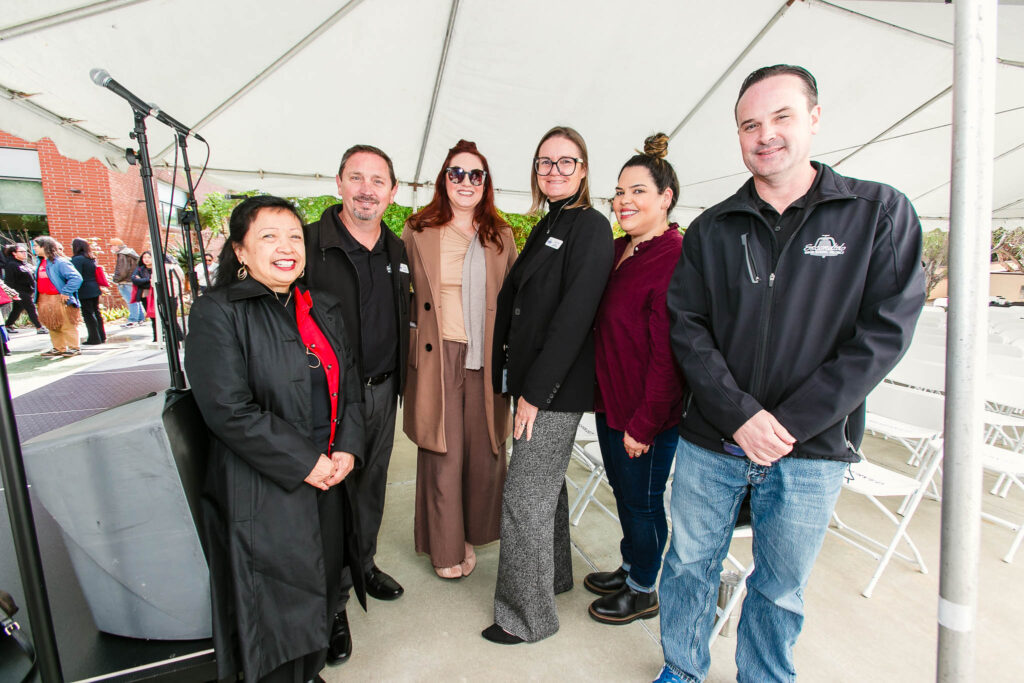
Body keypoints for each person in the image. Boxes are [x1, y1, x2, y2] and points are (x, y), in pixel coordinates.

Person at [656, 65, 926, 683]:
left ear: (814, 119)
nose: (765, 135)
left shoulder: (876, 213)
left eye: (781, 118)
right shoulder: (712, 227)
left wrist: (787, 424)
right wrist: (739, 415)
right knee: (689, 564)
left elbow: (884, 334)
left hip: (812, 449)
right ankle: (682, 668)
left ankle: (764, 677)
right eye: (750, 124)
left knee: (780, 587)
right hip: (711, 441)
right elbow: (687, 328)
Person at [185, 195, 366, 682]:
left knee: (324, 583)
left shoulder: (320, 306)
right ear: (240, 251)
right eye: (268, 236)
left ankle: (309, 673)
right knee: (277, 602)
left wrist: (347, 447)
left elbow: (348, 382)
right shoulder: (217, 313)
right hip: (263, 486)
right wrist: (307, 462)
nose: (286, 247)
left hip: (329, 477)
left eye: (293, 236)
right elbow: (228, 409)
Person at [484, 125, 614, 644]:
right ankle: (555, 578)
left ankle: (526, 616)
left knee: (524, 495)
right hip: (536, 384)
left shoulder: (591, 227)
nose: (554, 171)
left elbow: (573, 318)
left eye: (566, 162)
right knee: (546, 488)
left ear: (583, 170)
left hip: (554, 389)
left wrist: (534, 394)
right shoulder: (548, 223)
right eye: (545, 163)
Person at [303, 144, 411, 665]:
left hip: (383, 390)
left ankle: (363, 565)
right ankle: (334, 603)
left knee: (370, 487)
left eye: (378, 180)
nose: (367, 189)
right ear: (339, 183)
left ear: (393, 191)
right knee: (332, 499)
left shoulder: (398, 250)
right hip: (326, 400)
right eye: (356, 178)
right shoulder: (306, 245)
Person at [402, 140, 517, 580]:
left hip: (485, 359)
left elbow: (512, 302)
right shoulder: (418, 229)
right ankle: (445, 548)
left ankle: (472, 533)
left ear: (485, 183)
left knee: (485, 452)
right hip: (437, 356)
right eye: (456, 173)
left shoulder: (500, 235)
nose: (465, 182)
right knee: (442, 453)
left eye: (475, 175)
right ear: (443, 179)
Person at [586, 133, 685, 626]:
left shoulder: (673, 257)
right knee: (625, 497)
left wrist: (645, 425)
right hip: (612, 403)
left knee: (643, 504)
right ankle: (630, 567)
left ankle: (644, 587)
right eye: (620, 192)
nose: (624, 200)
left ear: (666, 198)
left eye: (638, 191)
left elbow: (670, 357)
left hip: (647, 416)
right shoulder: (619, 249)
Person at [33, 236, 82, 358]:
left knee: (67, 323)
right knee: (52, 324)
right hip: (45, 298)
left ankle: (73, 347)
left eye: (36, 246)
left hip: (59, 298)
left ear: (44, 246)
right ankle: (58, 347)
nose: (34, 248)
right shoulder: (40, 262)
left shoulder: (59, 262)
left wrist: (66, 292)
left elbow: (76, 278)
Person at [71, 238, 107, 345]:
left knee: (88, 314)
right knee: (96, 312)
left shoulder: (77, 259)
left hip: (84, 289)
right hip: (94, 287)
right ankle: (101, 335)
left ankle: (94, 338)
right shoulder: (91, 258)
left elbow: (77, 276)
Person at [3, 244, 46, 335]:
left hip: (28, 290)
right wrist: (12, 293)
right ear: (14, 253)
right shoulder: (11, 265)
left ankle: (8, 325)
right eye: (21, 252)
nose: (24, 253)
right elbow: (9, 281)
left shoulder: (25, 264)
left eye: (25, 252)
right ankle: (39, 327)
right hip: (19, 291)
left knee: (17, 309)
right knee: (31, 308)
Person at [109, 237, 143, 326]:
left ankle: (133, 320)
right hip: (132, 281)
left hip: (125, 282)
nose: (111, 248)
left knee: (131, 301)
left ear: (117, 246)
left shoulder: (122, 255)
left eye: (111, 246)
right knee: (135, 301)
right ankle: (140, 319)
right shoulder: (130, 253)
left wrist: (116, 279)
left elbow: (122, 271)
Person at [132, 250, 157, 342]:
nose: (146, 259)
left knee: (160, 316)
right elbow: (135, 280)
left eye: (149, 257)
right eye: (144, 257)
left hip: (156, 295)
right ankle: (156, 336)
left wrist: (143, 280)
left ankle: (162, 334)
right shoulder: (140, 269)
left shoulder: (156, 268)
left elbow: (154, 282)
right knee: (152, 316)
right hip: (145, 295)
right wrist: (148, 280)